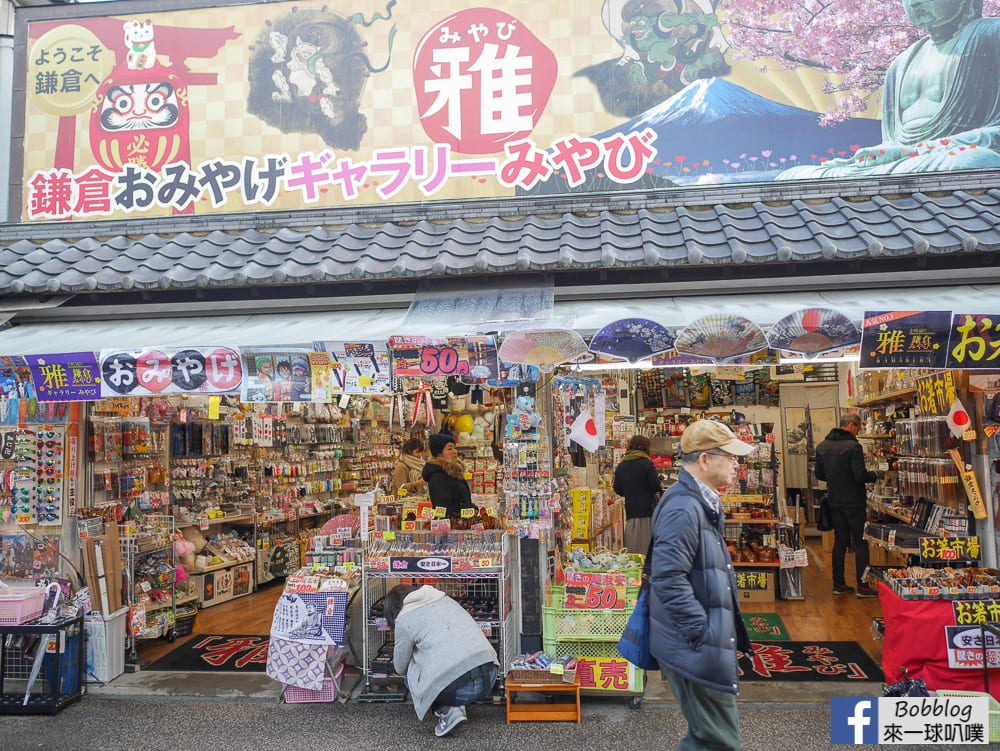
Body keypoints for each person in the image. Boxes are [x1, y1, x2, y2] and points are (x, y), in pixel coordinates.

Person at [778, 0, 1000, 180]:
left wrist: (915, 151)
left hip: (951, 157)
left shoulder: (992, 35)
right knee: (794, 176)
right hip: (905, 164)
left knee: (974, 163)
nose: (915, 3)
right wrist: (878, 157)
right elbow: (892, 143)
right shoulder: (901, 63)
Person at [648, 419, 754, 751]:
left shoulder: (700, 501)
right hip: (693, 644)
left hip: (698, 642)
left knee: (709, 737)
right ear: (705, 460)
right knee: (717, 740)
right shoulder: (684, 506)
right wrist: (702, 631)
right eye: (731, 456)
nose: (737, 463)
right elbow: (667, 577)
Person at [384, 584, 499, 737]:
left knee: (411, 670)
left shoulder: (404, 619)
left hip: (460, 690)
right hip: (489, 677)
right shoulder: (443, 598)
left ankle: (448, 711)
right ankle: (457, 704)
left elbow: (400, 667)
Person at [814, 413, 881, 598]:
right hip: (854, 501)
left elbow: (819, 474)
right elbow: (860, 476)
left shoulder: (822, 446)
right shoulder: (854, 447)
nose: (858, 431)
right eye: (858, 427)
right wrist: (875, 475)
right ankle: (863, 586)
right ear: (851, 425)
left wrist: (836, 478)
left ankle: (839, 584)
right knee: (860, 542)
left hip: (834, 500)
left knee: (840, 542)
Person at [613, 434, 662, 554]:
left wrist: (630, 491)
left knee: (633, 544)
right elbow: (655, 486)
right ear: (646, 448)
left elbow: (617, 488)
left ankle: (634, 566)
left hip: (631, 510)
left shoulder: (622, 465)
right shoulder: (646, 464)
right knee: (647, 543)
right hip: (647, 510)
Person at [422, 433, 475, 519]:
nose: (454, 451)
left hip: (462, 523)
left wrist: (473, 509)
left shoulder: (453, 471)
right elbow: (443, 509)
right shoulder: (438, 476)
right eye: (449, 449)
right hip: (452, 526)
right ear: (439, 453)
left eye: (454, 447)